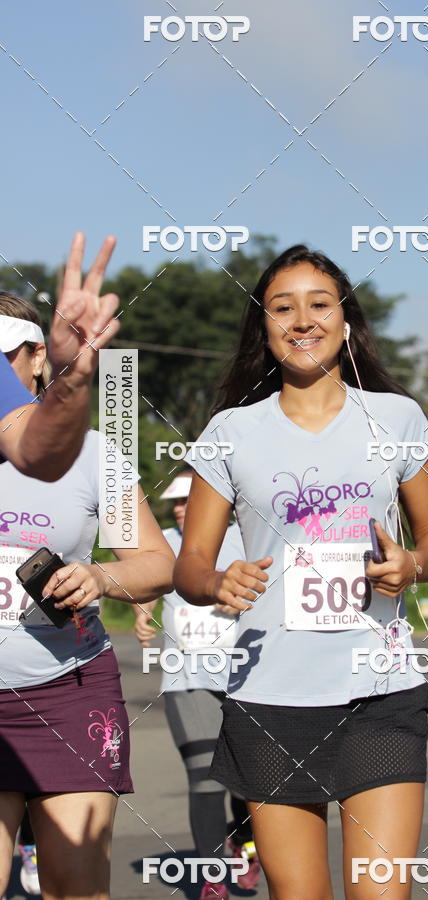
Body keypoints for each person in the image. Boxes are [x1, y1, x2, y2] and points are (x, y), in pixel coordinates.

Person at [174, 245, 428, 899]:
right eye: (282, 306)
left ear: (345, 319)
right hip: (269, 699)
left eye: (319, 303)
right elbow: (189, 565)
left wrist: (412, 565)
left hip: (380, 697)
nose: (302, 319)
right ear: (264, 328)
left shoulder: (396, 418)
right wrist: (217, 583)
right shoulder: (230, 432)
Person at [0, 296, 175, 900]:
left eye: (4, 358)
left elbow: (157, 565)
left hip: (68, 694)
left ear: (38, 360)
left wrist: (98, 578)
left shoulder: (92, 454)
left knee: (75, 891)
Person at [134, 471, 261, 900]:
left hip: (248, 677)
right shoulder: (166, 540)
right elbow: (151, 577)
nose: (180, 509)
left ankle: (246, 845)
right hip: (186, 676)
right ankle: (212, 877)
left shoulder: (247, 538)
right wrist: (143, 609)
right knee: (204, 777)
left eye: (189, 501)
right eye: (176, 503)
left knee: (248, 780)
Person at [0, 231, 119, 480]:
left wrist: (71, 378)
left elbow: (40, 456)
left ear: (37, 357)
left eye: (6, 353)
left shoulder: (93, 452)